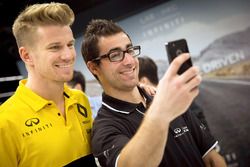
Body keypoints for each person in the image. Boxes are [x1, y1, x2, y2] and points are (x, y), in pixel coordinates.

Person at [81, 19, 227, 166]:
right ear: (94, 67)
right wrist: (161, 110)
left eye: (130, 50)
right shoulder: (105, 129)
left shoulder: (162, 98)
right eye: (115, 55)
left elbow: (212, 158)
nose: (130, 61)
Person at [0, 3, 96, 166]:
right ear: (27, 55)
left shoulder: (80, 100)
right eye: (55, 47)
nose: (68, 55)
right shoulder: (5, 122)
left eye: (70, 45)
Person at [138, 56, 212, 133]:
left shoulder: (155, 104)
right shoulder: (177, 93)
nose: (136, 88)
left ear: (143, 81)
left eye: (137, 84)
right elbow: (199, 117)